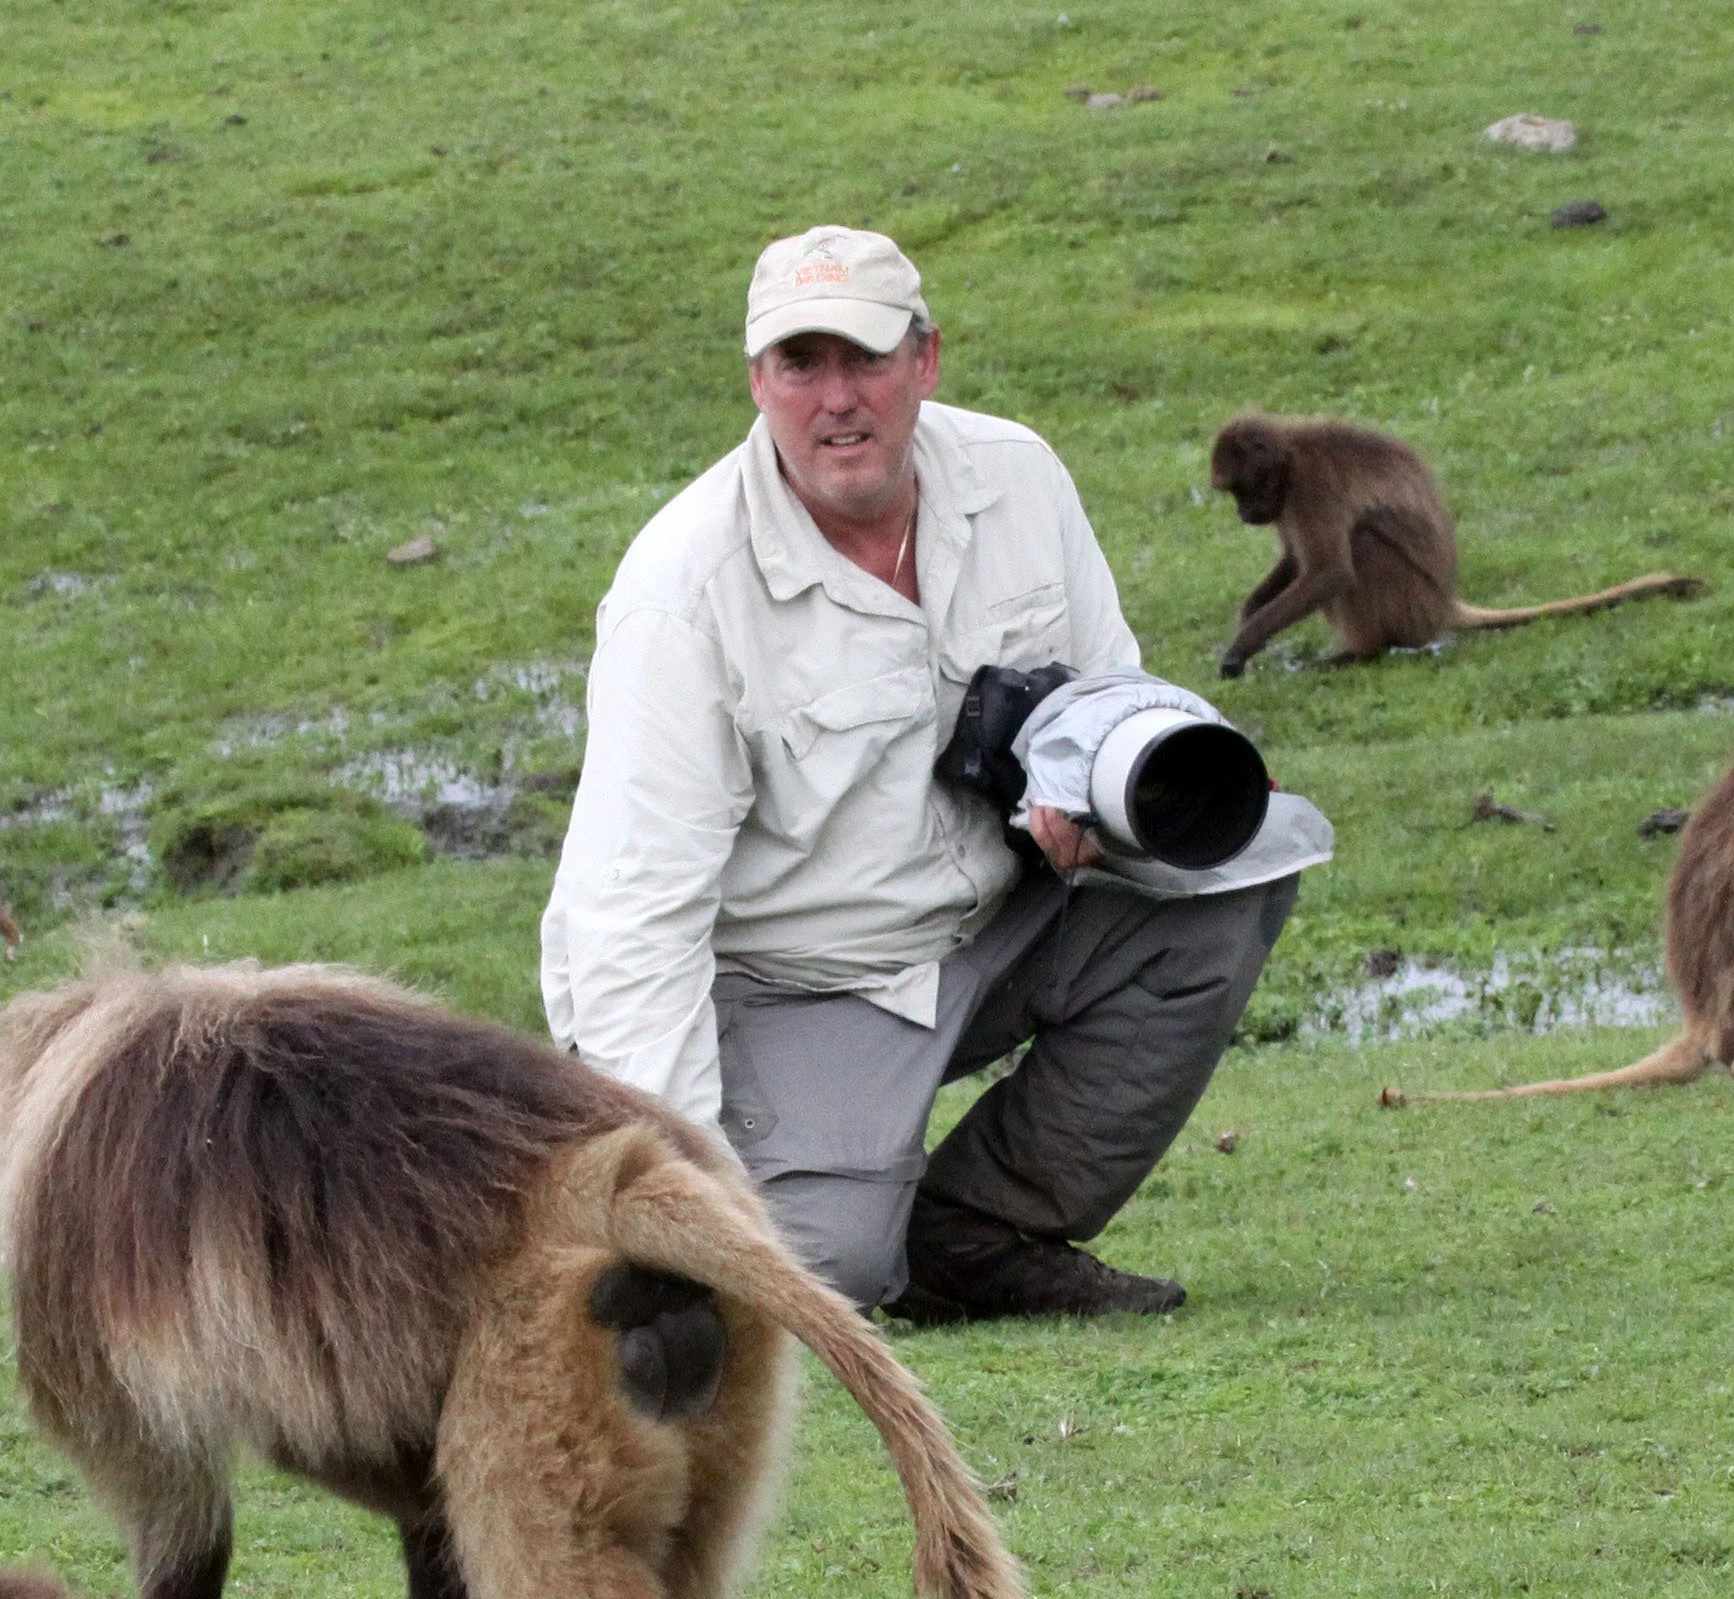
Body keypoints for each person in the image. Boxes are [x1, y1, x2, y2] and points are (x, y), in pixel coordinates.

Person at [540, 225, 1313, 1321]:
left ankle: (982, 1233)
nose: (836, 399)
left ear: (926, 361)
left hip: (998, 917)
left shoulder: (1017, 474)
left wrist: (1122, 801)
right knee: (808, 1278)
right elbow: (631, 919)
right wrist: (677, 1195)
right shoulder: (681, 592)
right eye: (800, 365)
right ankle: (790, 1207)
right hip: (794, 980)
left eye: (864, 358)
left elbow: (1111, 691)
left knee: (1240, 863)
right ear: (758, 380)